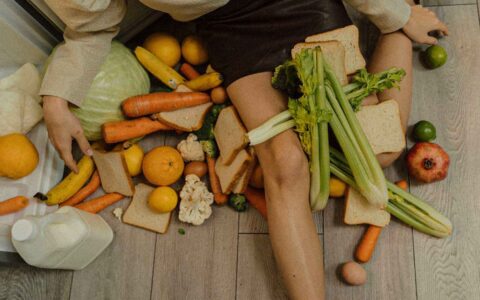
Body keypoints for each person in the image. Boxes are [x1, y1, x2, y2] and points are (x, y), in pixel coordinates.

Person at [40, 0, 448, 298]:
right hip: (229, 26)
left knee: (383, 153)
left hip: (300, 5)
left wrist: (397, 14)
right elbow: (91, 25)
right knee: (285, 163)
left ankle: (396, 30)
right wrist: (56, 99)